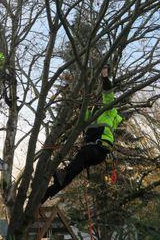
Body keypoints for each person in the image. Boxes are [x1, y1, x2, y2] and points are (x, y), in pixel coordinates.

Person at [42, 65, 123, 203]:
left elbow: (108, 94)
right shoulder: (91, 114)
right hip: (93, 153)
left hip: (97, 148)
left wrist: (104, 76)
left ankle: (62, 173)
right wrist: (79, 96)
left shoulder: (109, 111)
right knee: (70, 174)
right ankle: (45, 195)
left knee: (76, 162)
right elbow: (82, 115)